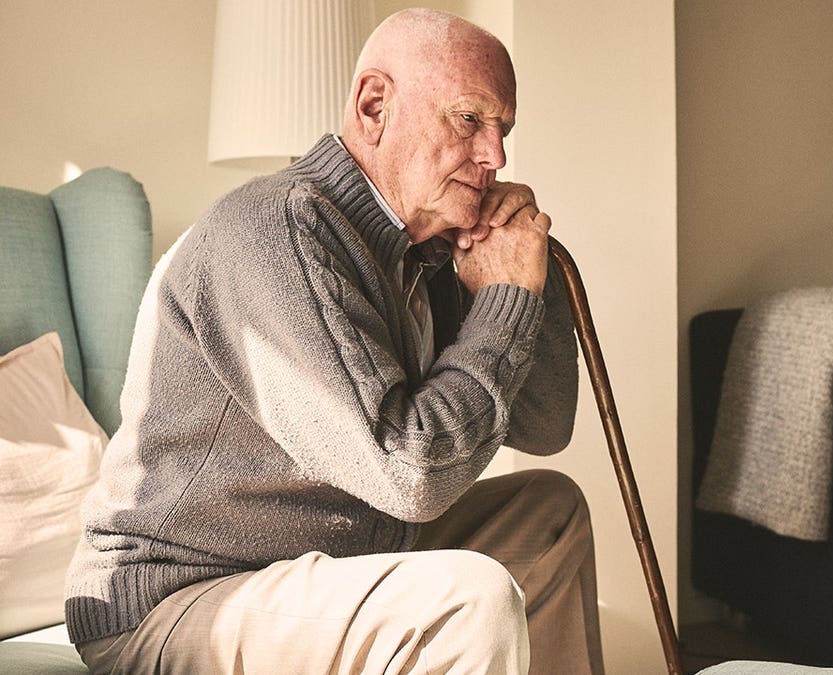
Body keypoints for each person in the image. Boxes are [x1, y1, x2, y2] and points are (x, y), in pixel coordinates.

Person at [64, 8, 604, 674]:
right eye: (470, 119)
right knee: (469, 599)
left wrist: (524, 273)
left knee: (549, 511)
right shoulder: (274, 229)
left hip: (328, 565)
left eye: (504, 130)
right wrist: (505, 299)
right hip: (176, 598)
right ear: (375, 105)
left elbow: (546, 424)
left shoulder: (429, 250)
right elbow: (413, 474)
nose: (496, 156)